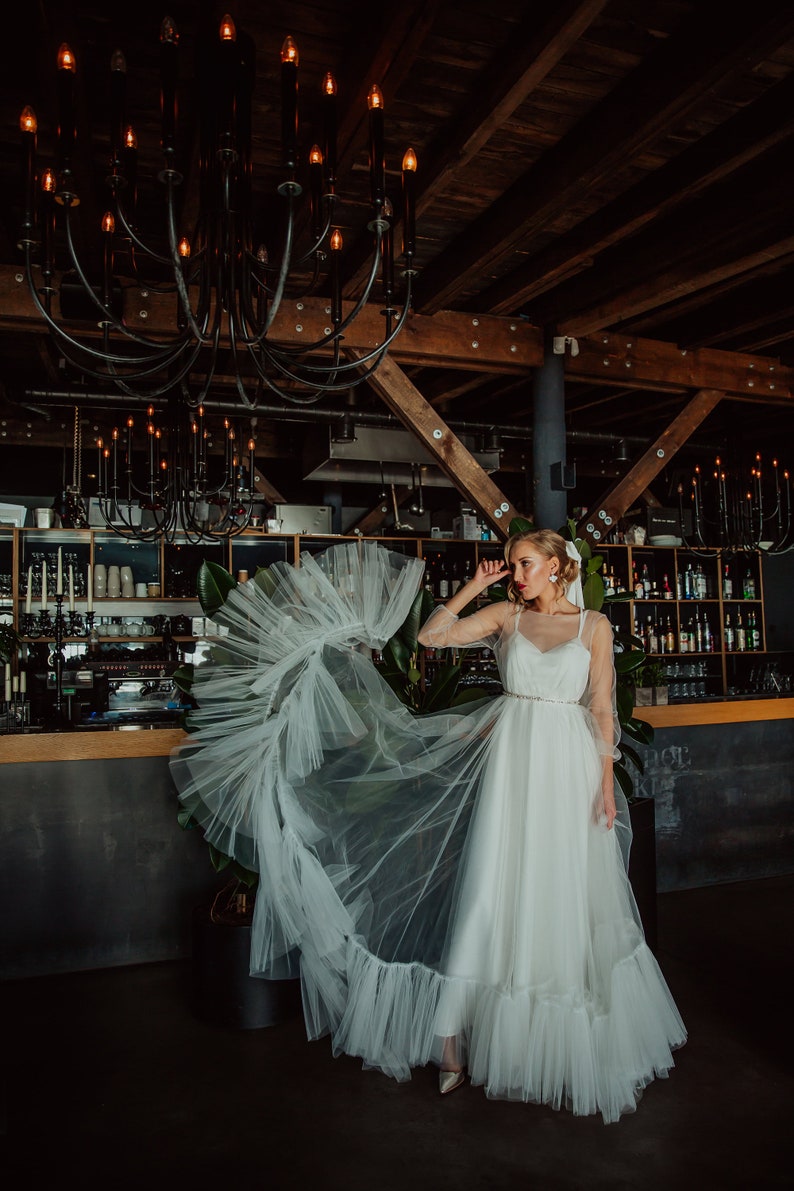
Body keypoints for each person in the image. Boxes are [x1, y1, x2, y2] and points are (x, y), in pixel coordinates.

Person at [171, 531, 685, 1125]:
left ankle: (565, 1038)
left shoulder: (593, 626)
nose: (516, 573)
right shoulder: (504, 615)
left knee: (561, 890)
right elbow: (430, 635)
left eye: (524, 564)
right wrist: (476, 585)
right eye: (513, 565)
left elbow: (603, 707)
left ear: (556, 567)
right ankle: (452, 1038)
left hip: (568, 768)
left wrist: (603, 782)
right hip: (513, 764)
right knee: (491, 890)